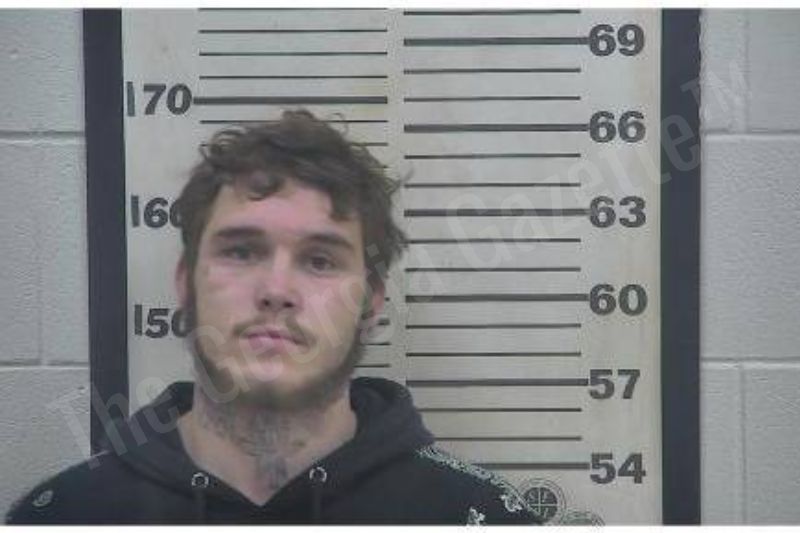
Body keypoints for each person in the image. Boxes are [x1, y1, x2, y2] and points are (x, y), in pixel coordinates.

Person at [6, 110, 542, 525]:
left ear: (371, 301)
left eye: (320, 260)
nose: (277, 291)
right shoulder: (65, 514)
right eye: (241, 251)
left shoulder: (480, 517)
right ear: (185, 283)